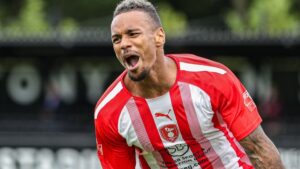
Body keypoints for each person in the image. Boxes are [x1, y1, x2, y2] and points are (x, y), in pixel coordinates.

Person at [94, 0, 284, 168]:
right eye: (116, 39)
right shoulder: (109, 112)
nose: (123, 44)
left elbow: (260, 150)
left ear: (159, 37)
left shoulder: (213, 78)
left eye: (132, 34)